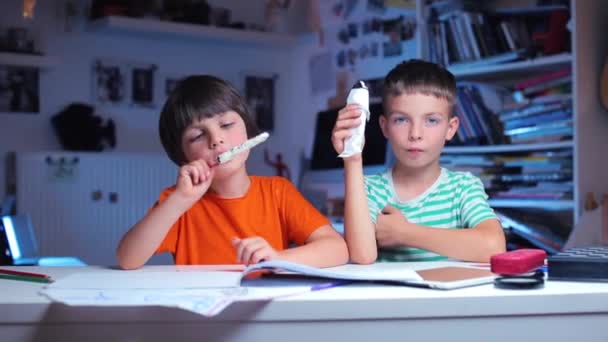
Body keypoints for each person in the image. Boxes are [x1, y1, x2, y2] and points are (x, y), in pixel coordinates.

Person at [117, 75, 348, 269]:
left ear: (248, 131)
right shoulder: (178, 202)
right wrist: (179, 200)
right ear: (182, 157)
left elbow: (337, 249)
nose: (216, 139)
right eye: (198, 136)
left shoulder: (278, 192)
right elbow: (128, 259)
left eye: (226, 125)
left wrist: (278, 259)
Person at [331, 59, 505, 264]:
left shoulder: (463, 188)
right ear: (385, 127)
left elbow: (494, 247)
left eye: (431, 120)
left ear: (451, 128)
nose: (415, 134)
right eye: (401, 120)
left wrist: (405, 233)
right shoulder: (369, 189)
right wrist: (352, 159)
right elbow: (362, 256)